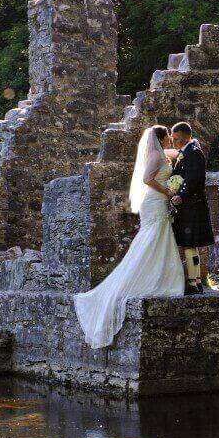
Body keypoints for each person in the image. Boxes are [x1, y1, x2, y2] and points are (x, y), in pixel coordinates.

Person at [75, 125, 185, 349]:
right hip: (155, 200)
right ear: (161, 138)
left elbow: (175, 155)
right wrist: (168, 191)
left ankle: (160, 275)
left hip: (157, 202)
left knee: (157, 238)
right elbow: (147, 178)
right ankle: (151, 278)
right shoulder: (155, 155)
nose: (170, 141)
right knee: (153, 237)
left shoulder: (160, 154)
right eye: (168, 137)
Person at [169, 121, 215, 294]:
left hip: (192, 205)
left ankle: (194, 283)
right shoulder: (187, 152)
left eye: (175, 138)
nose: (173, 142)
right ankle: (195, 281)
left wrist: (180, 195)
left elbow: (192, 179)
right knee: (190, 245)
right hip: (190, 206)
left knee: (189, 244)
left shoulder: (193, 153)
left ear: (182, 137)